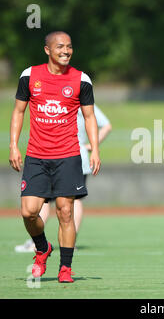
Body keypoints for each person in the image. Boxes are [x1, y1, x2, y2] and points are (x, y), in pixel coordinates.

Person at [9, 31, 101, 283]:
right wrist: (13, 146)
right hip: (36, 157)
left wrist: (95, 148)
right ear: (47, 50)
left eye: (69, 46)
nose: (66, 50)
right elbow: (18, 112)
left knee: (65, 212)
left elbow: (90, 117)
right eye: (60, 46)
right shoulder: (29, 76)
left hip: (68, 156)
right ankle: (42, 248)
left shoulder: (81, 79)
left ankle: (65, 269)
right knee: (29, 212)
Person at [15, 105, 111, 253]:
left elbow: (106, 126)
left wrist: (91, 146)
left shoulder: (71, 98)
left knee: (48, 199)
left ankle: (37, 242)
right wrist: (91, 146)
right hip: (73, 156)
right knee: (73, 199)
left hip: (65, 155)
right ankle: (69, 241)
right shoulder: (78, 98)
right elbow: (106, 125)